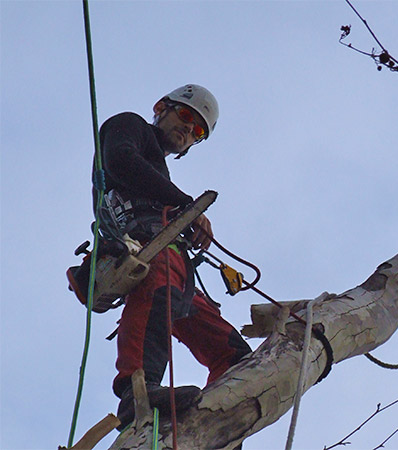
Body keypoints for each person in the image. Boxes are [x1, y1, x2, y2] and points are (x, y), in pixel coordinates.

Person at [94, 84, 252, 429]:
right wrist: (186, 206)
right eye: (184, 116)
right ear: (161, 107)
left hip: (174, 264)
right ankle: (138, 391)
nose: (188, 129)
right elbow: (121, 159)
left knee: (235, 355)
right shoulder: (130, 126)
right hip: (150, 249)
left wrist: (184, 215)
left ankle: (222, 416)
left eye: (197, 131)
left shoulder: (159, 174)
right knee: (159, 288)